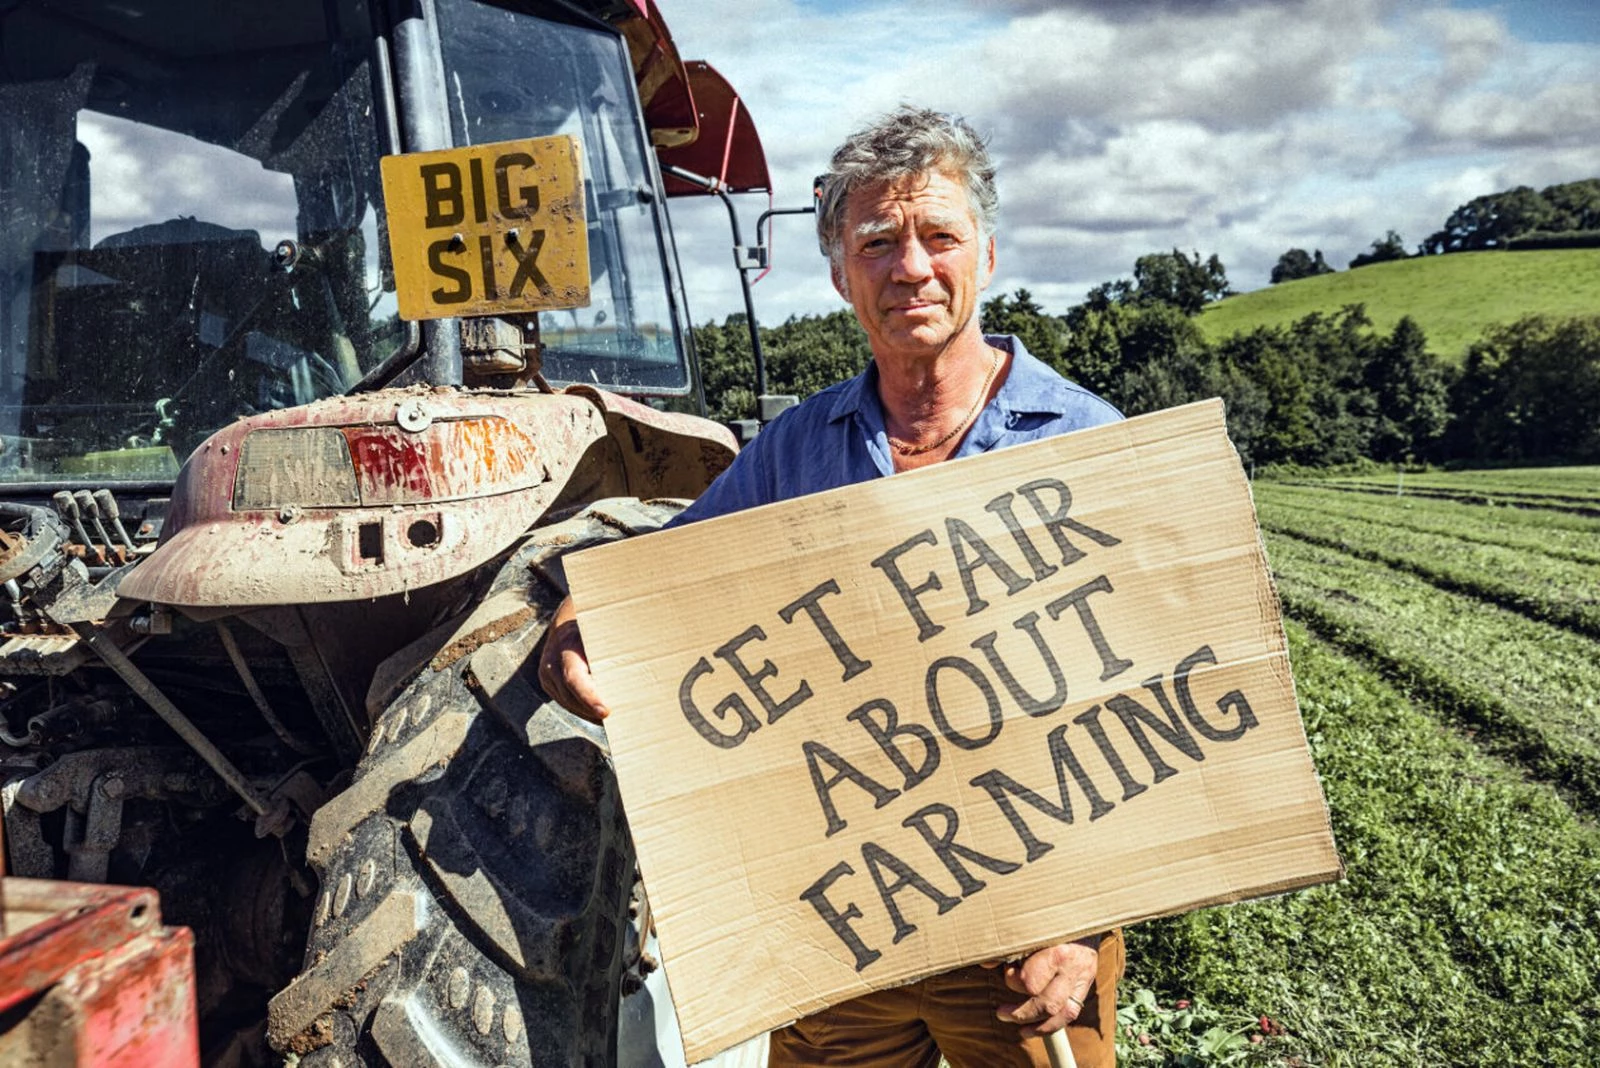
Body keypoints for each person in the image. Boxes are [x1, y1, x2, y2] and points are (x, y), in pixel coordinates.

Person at [540, 105, 1125, 1068]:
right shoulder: (799, 448)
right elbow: (674, 572)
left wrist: (1087, 920)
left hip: (1027, 926)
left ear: (986, 252)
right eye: (878, 242)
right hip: (846, 919)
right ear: (842, 270)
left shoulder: (1081, 440)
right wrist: (583, 609)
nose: (911, 267)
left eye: (939, 236)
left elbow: (1158, 693)